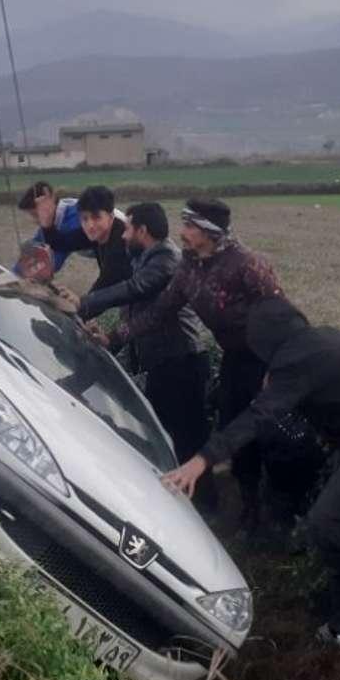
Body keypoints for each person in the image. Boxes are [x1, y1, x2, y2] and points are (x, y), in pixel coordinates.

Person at [162, 298, 340, 649]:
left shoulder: (296, 359)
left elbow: (260, 415)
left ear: (264, 343)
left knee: (327, 526)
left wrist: (202, 460)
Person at [112, 197, 283, 532]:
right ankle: (248, 508)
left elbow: (282, 315)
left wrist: (280, 367)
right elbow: (159, 311)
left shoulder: (247, 265)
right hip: (234, 361)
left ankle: (281, 513)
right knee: (234, 433)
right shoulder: (189, 267)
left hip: (266, 363)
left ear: (209, 231)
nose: (182, 232)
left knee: (274, 435)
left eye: (190, 226)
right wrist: (113, 336)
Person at [77, 203, 214, 506]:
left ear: (142, 231)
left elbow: (134, 289)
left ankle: (203, 507)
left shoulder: (166, 260)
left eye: (127, 228)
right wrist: (110, 340)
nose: (123, 235)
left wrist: (83, 304)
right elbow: (139, 315)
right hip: (167, 363)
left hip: (181, 362)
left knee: (185, 439)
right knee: (165, 437)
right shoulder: (146, 258)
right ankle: (187, 505)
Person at [16, 181, 132, 293]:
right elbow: (60, 244)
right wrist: (47, 225)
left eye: (97, 217)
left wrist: (80, 302)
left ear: (111, 216)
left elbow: (107, 282)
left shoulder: (121, 241)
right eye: (85, 219)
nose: (90, 225)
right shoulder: (93, 227)